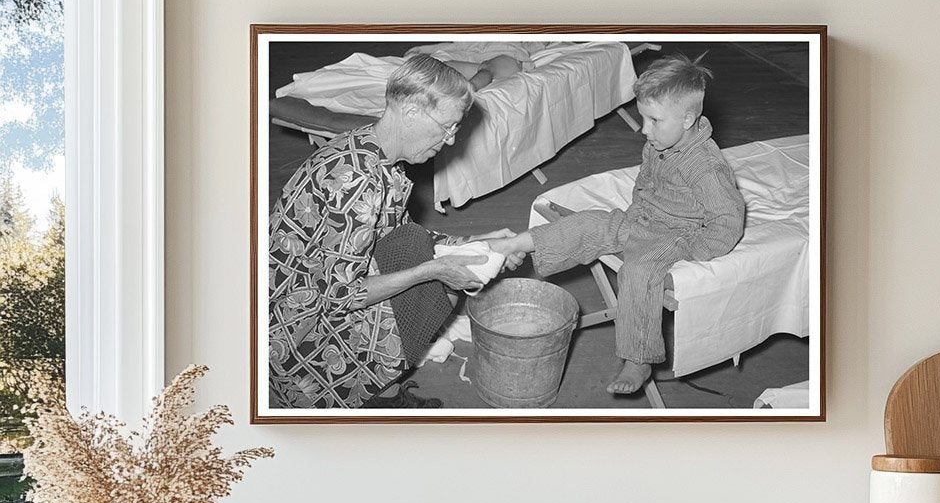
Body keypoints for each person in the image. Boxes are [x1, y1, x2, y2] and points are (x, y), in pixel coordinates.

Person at [268, 54, 520, 409]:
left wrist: (480, 243)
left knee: (416, 248)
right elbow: (344, 295)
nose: (450, 141)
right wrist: (431, 270)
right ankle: (369, 399)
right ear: (411, 112)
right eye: (447, 127)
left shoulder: (372, 152)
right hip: (296, 331)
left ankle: (380, 388)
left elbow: (396, 234)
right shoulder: (355, 183)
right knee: (436, 287)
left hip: (315, 290)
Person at [490, 55, 746, 396]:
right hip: (642, 219)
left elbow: (728, 219)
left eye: (654, 120)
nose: (644, 129)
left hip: (677, 234)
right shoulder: (660, 143)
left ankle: (639, 358)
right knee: (590, 223)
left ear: (688, 118)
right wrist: (637, 210)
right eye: (643, 118)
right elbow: (645, 182)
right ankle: (519, 244)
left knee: (638, 272)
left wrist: (698, 252)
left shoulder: (705, 166)